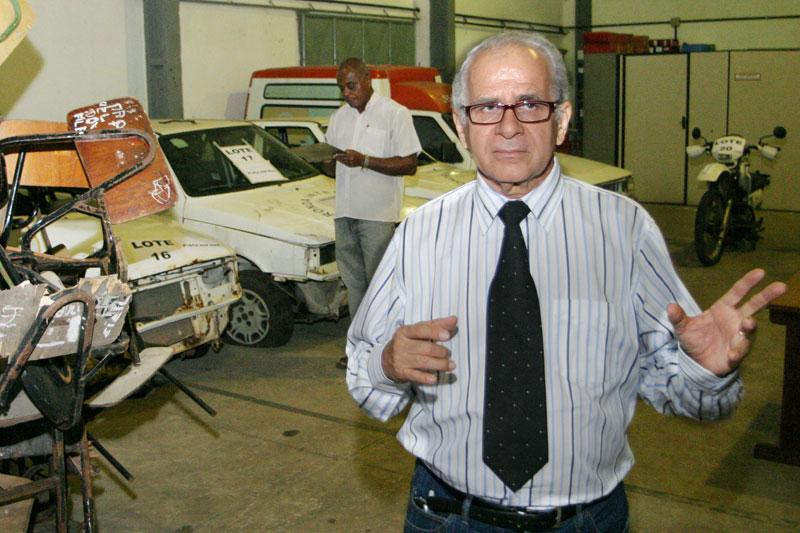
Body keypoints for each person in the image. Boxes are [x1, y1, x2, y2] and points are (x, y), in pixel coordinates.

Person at [345, 31, 787, 532]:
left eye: (530, 104)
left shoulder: (624, 230)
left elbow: (686, 395)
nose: (508, 126)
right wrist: (387, 364)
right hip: (448, 517)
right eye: (486, 107)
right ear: (462, 126)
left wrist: (706, 371)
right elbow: (363, 375)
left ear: (562, 120)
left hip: (586, 520)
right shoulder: (419, 234)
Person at [326, 57, 422, 370]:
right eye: (342, 87)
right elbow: (333, 161)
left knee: (381, 287)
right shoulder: (339, 117)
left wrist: (366, 161)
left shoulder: (395, 113)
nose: (346, 92)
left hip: (377, 215)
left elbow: (409, 163)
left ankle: (386, 352)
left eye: (351, 85)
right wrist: (325, 162)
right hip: (345, 211)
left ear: (368, 79)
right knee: (355, 286)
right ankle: (359, 350)